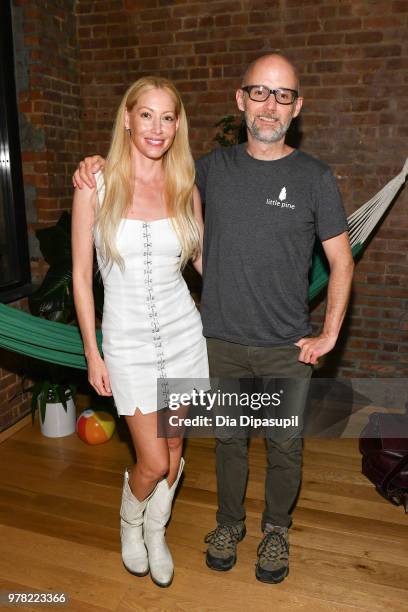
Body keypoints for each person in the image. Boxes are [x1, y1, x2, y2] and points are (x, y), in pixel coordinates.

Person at [73, 53, 354, 585]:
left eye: (283, 95)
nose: (270, 105)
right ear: (240, 99)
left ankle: (275, 530)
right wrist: (91, 164)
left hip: (286, 345)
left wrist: (331, 333)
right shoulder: (203, 171)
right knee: (222, 443)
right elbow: (186, 229)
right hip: (217, 339)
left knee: (284, 446)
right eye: (259, 92)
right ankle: (227, 525)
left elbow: (341, 260)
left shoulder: (315, 176)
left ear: (298, 105)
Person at [71, 76, 209, 588]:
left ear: (178, 125)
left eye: (167, 117)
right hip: (126, 343)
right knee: (151, 458)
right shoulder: (96, 184)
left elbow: (204, 265)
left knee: (173, 452)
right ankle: (131, 522)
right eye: (146, 114)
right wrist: (93, 350)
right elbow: (82, 276)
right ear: (127, 118)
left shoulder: (185, 187)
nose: (157, 127)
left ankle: (157, 533)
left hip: (183, 338)